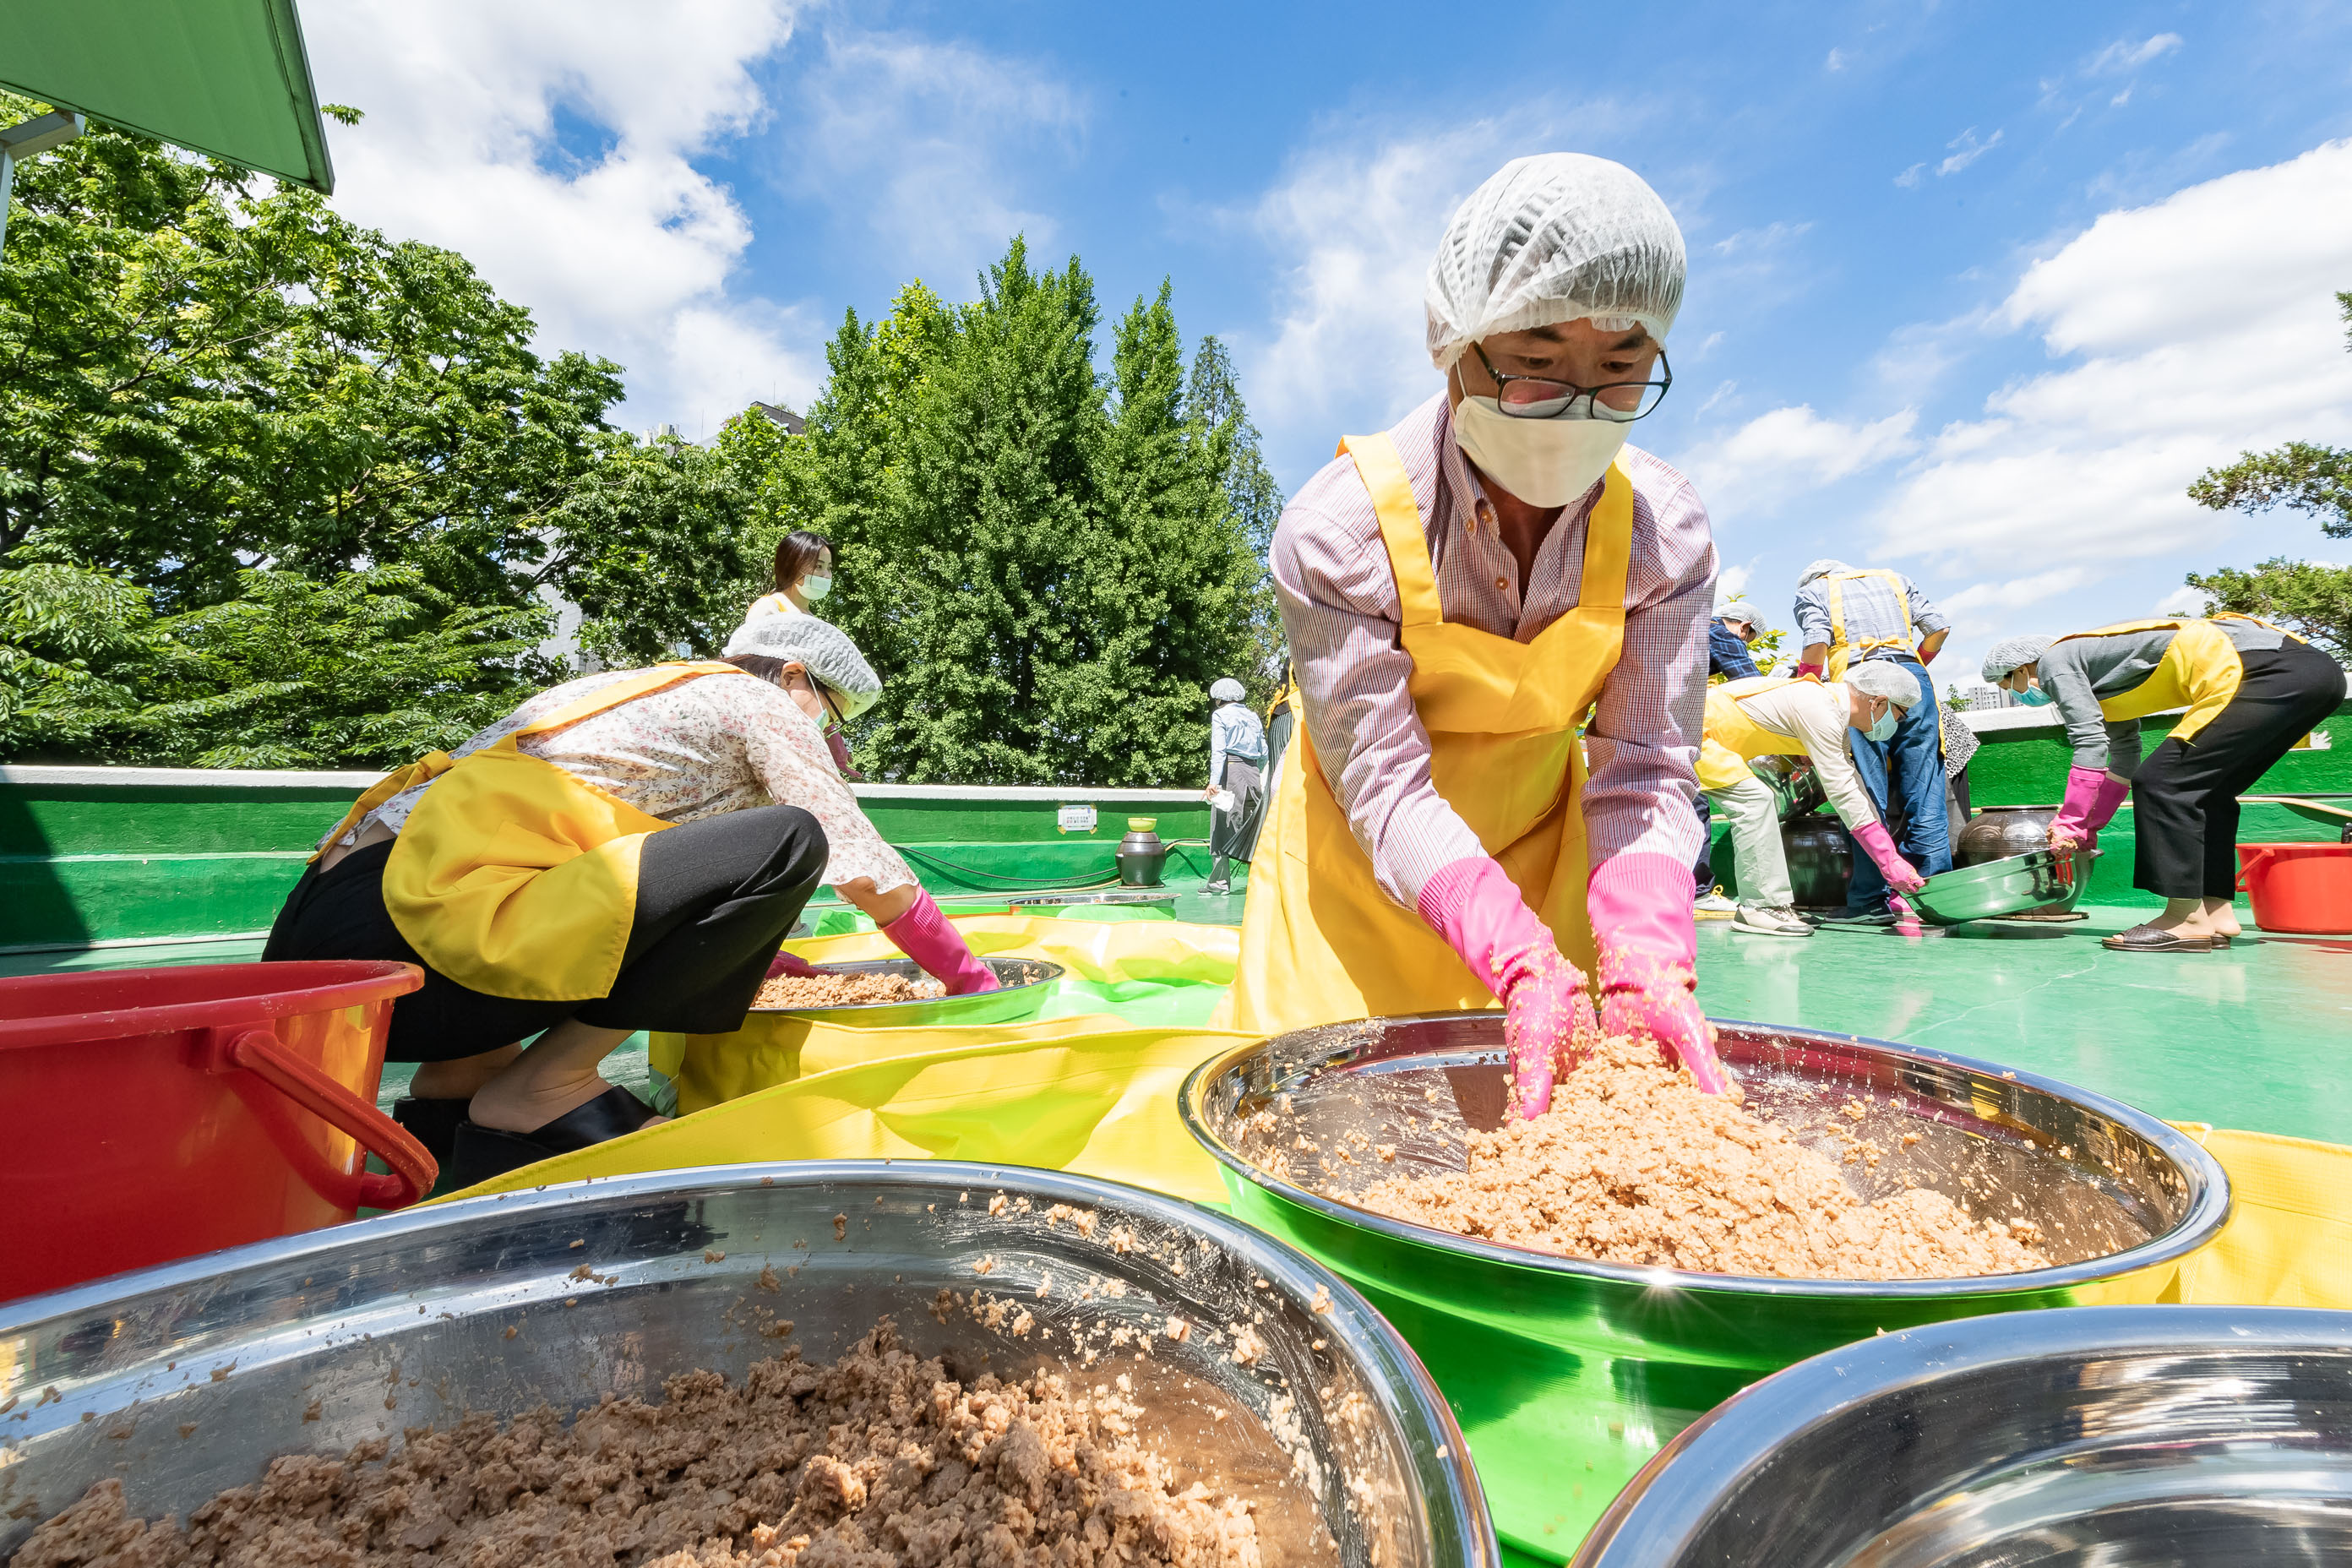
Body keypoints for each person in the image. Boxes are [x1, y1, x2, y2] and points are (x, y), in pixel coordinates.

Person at [1222, 152, 1729, 1119]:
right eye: (1536, 363)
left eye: (1621, 368)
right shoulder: (1339, 532)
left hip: (1545, 861)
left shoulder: (1667, 533)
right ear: (1454, 339)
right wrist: (1511, 951)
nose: (1579, 406)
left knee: (1565, 1138)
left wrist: (1645, 955)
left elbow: (1646, 769)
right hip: (1355, 880)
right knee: (1332, 1125)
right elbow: (1385, 783)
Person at [262, 616, 996, 1187]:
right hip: (414, 940)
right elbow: (859, 866)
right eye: (832, 718)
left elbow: (653, 883)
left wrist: (761, 957)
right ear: (795, 677)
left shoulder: (631, 701)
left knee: (518, 868)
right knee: (793, 840)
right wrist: (971, 981)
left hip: (332, 970)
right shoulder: (753, 700)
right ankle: (546, 1086)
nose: (830, 738)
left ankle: (463, 1082)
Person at [1983, 615, 2346, 953]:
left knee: (2163, 784)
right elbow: (2123, 758)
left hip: (2268, 671)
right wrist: (2088, 827)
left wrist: (2069, 821)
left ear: (2023, 667)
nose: (2016, 693)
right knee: (2208, 791)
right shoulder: (2102, 682)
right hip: (2316, 674)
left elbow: (2090, 742)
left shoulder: (2054, 661)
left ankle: (2183, 919)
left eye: (2008, 683)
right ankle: (2214, 912)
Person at [1698, 664, 1930, 937]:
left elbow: (1854, 785)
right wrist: (1887, 860)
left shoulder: (1832, 714)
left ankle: (1767, 904)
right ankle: (1759, 907)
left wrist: (1888, 854)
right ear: (1878, 702)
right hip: (1698, 733)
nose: (1898, 723)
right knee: (1755, 800)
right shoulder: (1819, 708)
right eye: (1899, 715)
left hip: (1712, 737)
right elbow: (1841, 789)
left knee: (1757, 800)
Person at [1793, 560, 1952, 925]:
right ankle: (1936, 897)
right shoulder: (1897, 578)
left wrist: (1806, 689)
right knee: (1926, 787)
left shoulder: (1815, 590)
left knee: (1865, 794)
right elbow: (1939, 629)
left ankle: (1869, 902)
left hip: (1860, 683)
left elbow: (1816, 642)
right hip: (1912, 678)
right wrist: (1913, 665)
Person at [1693, 599, 1767, 917]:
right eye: (1748, 641)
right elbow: (1752, 685)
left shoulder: (1685, 628)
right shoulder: (1720, 633)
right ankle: (1697, 893)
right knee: (1695, 807)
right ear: (1744, 628)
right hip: (1678, 731)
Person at [1202, 677, 1267, 896]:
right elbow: (1264, 752)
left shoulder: (1220, 715)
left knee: (1221, 827)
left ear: (1219, 698)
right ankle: (1263, 881)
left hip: (1230, 771)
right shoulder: (1252, 716)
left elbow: (1219, 751)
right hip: (1253, 774)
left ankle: (1219, 884)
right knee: (1255, 828)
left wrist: (1213, 782)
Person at [744, 530, 834, 622]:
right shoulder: (768, 608)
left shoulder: (811, 618)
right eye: (818, 566)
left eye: (829, 568)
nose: (827, 575)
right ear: (792, 567)